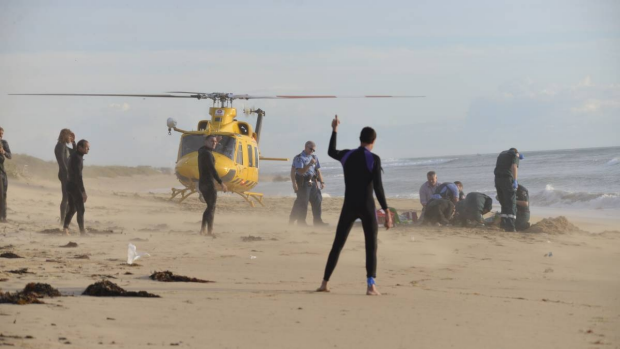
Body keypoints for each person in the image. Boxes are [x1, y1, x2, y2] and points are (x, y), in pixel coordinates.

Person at [317, 115, 392, 296]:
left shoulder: (347, 155)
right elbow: (378, 188)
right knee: (371, 245)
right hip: (367, 207)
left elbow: (330, 151)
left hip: (349, 206)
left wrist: (334, 129)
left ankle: (324, 283)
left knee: (338, 244)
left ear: (360, 139)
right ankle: (370, 286)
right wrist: (386, 210)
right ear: (373, 141)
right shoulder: (374, 158)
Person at [289, 141, 328, 226]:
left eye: (314, 150)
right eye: (311, 149)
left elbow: (317, 170)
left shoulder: (314, 157)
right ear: (306, 147)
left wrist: (322, 181)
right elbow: (300, 171)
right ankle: (301, 222)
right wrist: (294, 183)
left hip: (313, 182)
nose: (312, 151)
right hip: (303, 182)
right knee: (303, 202)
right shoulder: (299, 158)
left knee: (317, 200)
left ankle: (318, 221)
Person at [198, 135, 228, 236]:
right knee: (211, 207)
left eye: (215, 142)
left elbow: (205, 147)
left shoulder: (201, 152)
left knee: (209, 207)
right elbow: (212, 169)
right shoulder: (207, 154)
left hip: (202, 183)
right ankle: (209, 231)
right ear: (205, 141)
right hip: (208, 184)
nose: (214, 143)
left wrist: (215, 141)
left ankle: (203, 230)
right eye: (211, 141)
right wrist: (221, 182)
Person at [63, 139, 90, 235]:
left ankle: (65, 228)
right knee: (81, 209)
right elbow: (78, 176)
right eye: (86, 147)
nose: (88, 149)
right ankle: (82, 232)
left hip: (69, 185)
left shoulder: (75, 155)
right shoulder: (77, 158)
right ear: (80, 147)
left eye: (88, 147)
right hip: (74, 186)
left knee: (72, 208)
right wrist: (83, 191)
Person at [494, 148, 523, 232]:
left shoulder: (502, 154)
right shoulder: (515, 154)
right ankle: (511, 226)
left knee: (503, 202)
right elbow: (514, 167)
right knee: (511, 202)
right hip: (507, 179)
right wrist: (515, 180)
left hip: (497, 179)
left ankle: (503, 224)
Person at [54, 129, 77, 224]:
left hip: (67, 174)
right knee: (66, 197)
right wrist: (68, 175)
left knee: (70, 197)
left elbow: (75, 152)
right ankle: (63, 220)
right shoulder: (59, 146)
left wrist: (73, 142)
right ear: (64, 135)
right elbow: (62, 163)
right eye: (69, 136)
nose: (70, 137)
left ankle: (65, 219)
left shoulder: (64, 147)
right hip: (64, 174)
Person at [0, 127, 11, 223]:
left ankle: (3, 216)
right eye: (0, 133)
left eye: (2, 134)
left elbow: (10, 156)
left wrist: (3, 151)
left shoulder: (4, 143)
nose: (1, 135)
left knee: (3, 194)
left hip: (2, 172)